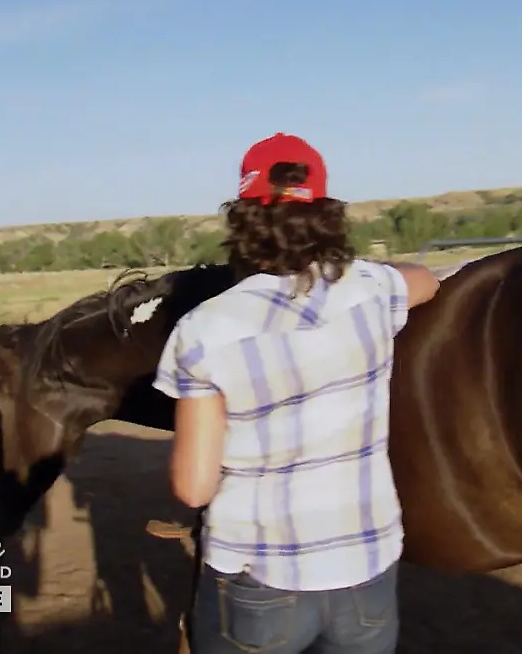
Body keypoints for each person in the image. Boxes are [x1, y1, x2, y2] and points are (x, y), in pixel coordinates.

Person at [152, 132, 440, 654]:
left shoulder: (203, 330)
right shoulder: (371, 289)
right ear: (325, 215)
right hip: (367, 566)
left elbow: (193, 488)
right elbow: (427, 281)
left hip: (260, 577)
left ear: (244, 220)